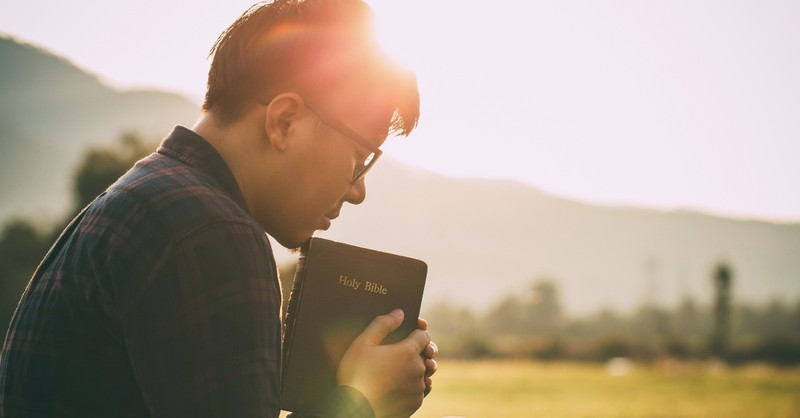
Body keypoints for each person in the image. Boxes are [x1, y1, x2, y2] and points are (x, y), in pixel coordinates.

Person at [0, 0, 437, 417]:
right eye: (360, 160)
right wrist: (362, 401)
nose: (358, 191)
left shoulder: (152, 200)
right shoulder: (209, 230)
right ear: (284, 120)